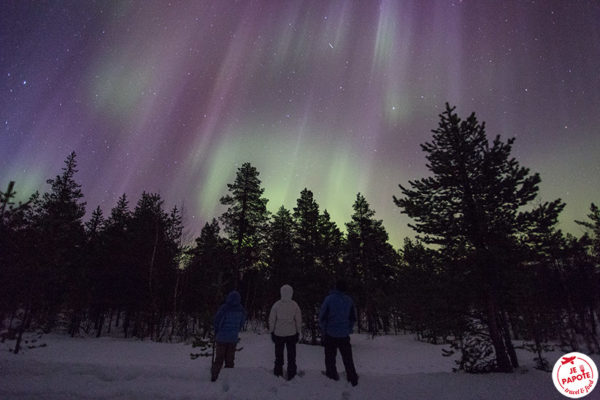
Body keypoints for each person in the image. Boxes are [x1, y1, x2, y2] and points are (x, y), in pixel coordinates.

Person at [318, 280, 358, 386]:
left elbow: (322, 316)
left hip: (330, 333)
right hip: (344, 334)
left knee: (330, 357)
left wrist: (324, 330)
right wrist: (348, 329)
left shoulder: (329, 299)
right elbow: (353, 317)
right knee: (347, 357)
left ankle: (331, 376)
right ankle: (352, 377)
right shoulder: (349, 300)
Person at [268, 284, 302, 380]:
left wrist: (272, 331)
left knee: (278, 355)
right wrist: (298, 331)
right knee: (291, 356)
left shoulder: (277, 305)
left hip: (279, 334)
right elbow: (298, 320)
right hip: (291, 334)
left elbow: (272, 319)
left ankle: (278, 373)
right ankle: (292, 374)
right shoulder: (294, 305)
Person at [211, 290, 246, 382]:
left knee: (219, 358)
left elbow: (217, 321)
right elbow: (241, 322)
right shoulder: (241, 309)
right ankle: (229, 379)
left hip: (222, 337)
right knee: (230, 359)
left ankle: (214, 376)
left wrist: (216, 330)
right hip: (233, 338)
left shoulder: (224, 308)